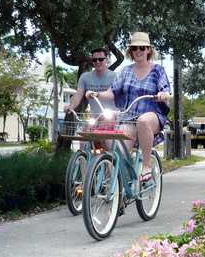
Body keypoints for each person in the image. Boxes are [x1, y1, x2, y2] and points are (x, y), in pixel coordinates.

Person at [86, 32, 171, 185]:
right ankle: (119, 194)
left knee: (143, 121)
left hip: (151, 115)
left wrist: (163, 94)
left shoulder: (157, 70)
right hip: (128, 117)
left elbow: (165, 89)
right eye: (134, 48)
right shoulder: (125, 71)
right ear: (130, 51)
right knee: (117, 155)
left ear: (148, 50)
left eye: (142, 48)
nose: (138, 51)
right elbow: (112, 92)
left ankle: (146, 166)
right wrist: (97, 94)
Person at [65, 47, 116, 115]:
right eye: (94, 60)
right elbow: (78, 94)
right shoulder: (85, 77)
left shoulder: (115, 76)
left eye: (100, 59)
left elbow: (114, 95)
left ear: (106, 60)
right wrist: (70, 107)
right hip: (95, 119)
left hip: (113, 118)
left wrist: (96, 94)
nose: (97, 62)